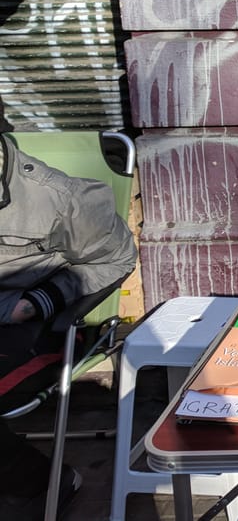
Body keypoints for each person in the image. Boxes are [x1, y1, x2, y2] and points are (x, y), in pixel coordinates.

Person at [0, 105, 139, 517]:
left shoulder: (60, 198)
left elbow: (115, 258)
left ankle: (40, 482)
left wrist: (41, 300)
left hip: (32, 328)